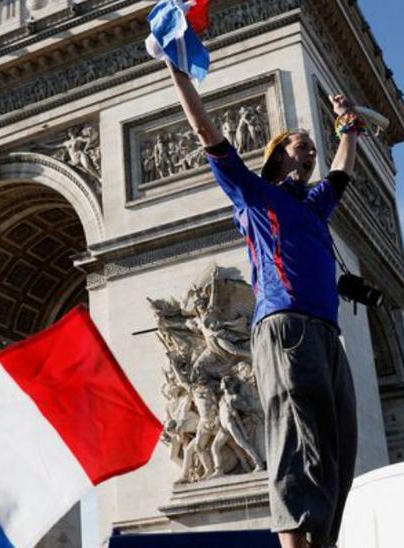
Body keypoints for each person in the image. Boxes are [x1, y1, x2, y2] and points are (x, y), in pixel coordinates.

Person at [167, 61, 365, 548]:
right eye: (302, 145)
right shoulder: (252, 194)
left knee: (340, 440)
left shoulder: (314, 203)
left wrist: (347, 130)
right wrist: (178, 73)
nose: (311, 152)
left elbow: (341, 173)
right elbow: (207, 130)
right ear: (278, 155)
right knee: (296, 435)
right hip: (285, 327)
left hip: (324, 332)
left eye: (313, 149)